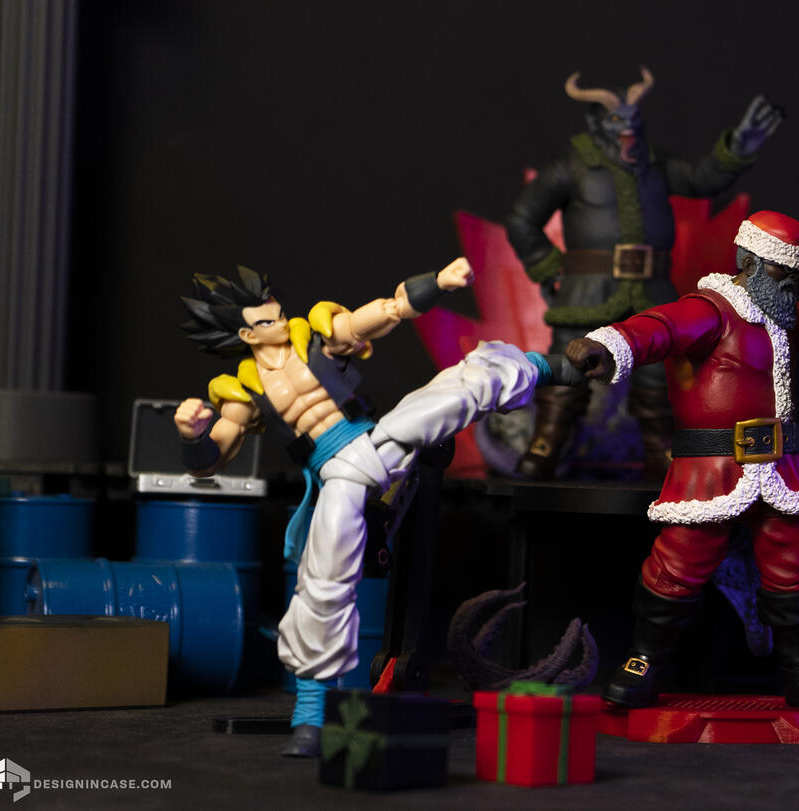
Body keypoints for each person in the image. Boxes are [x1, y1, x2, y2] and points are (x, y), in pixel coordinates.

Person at [174, 260, 545, 756]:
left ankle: (540, 367)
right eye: (266, 320)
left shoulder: (312, 334)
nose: (280, 319)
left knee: (445, 398)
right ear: (246, 334)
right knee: (322, 579)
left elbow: (386, 311)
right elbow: (211, 459)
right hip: (338, 476)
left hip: (375, 441)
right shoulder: (243, 389)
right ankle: (311, 714)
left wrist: (439, 283)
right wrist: (192, 435)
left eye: (278, 310)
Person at [566, 211, 799, 710]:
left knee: (795, 562)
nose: (789, 282)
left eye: (795, 274)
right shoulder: (709, 310)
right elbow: (658, 327)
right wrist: (608, 342)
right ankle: (644, 660)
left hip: (782, 466)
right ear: (748, 261)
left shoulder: (782, 320)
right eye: (779, 270)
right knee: (679, 561)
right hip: (712, 469)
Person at [506, 67, 783, 480]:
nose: (627, 129)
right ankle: (546, 443)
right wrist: (547, 269)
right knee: (569, 366)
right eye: (616, 120)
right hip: (587, 289)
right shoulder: (572, 167)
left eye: (634, 119)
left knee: (658, 371)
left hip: (650, 289)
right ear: (596, 124)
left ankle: (660, 452)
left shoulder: (654, 163)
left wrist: (737, 149)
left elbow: (701, 179)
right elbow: (522, 219)